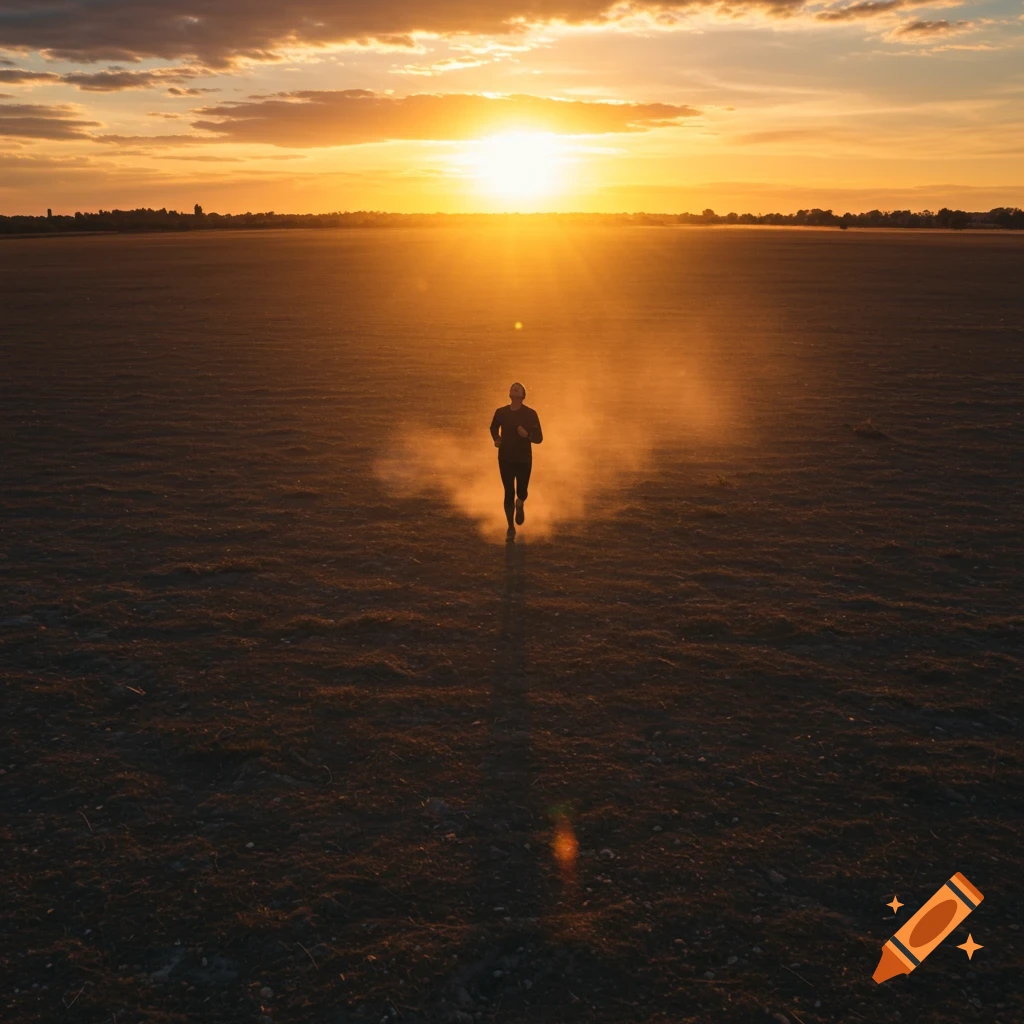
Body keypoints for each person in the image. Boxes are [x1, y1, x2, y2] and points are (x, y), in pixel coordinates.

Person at [489, 382, 543, 541]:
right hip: (505, 458)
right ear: (510, 394)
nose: (515, 387)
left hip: (523, 459)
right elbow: (493, 428)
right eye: (513, 387)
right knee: (508, 492)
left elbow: (539, 438)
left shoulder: (530, 414)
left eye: (518, 387)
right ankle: (510, 527)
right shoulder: (501, 412)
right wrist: (497, 439)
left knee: (522, 491)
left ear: (523, 395)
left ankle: (520, 503)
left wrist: (526, 435)